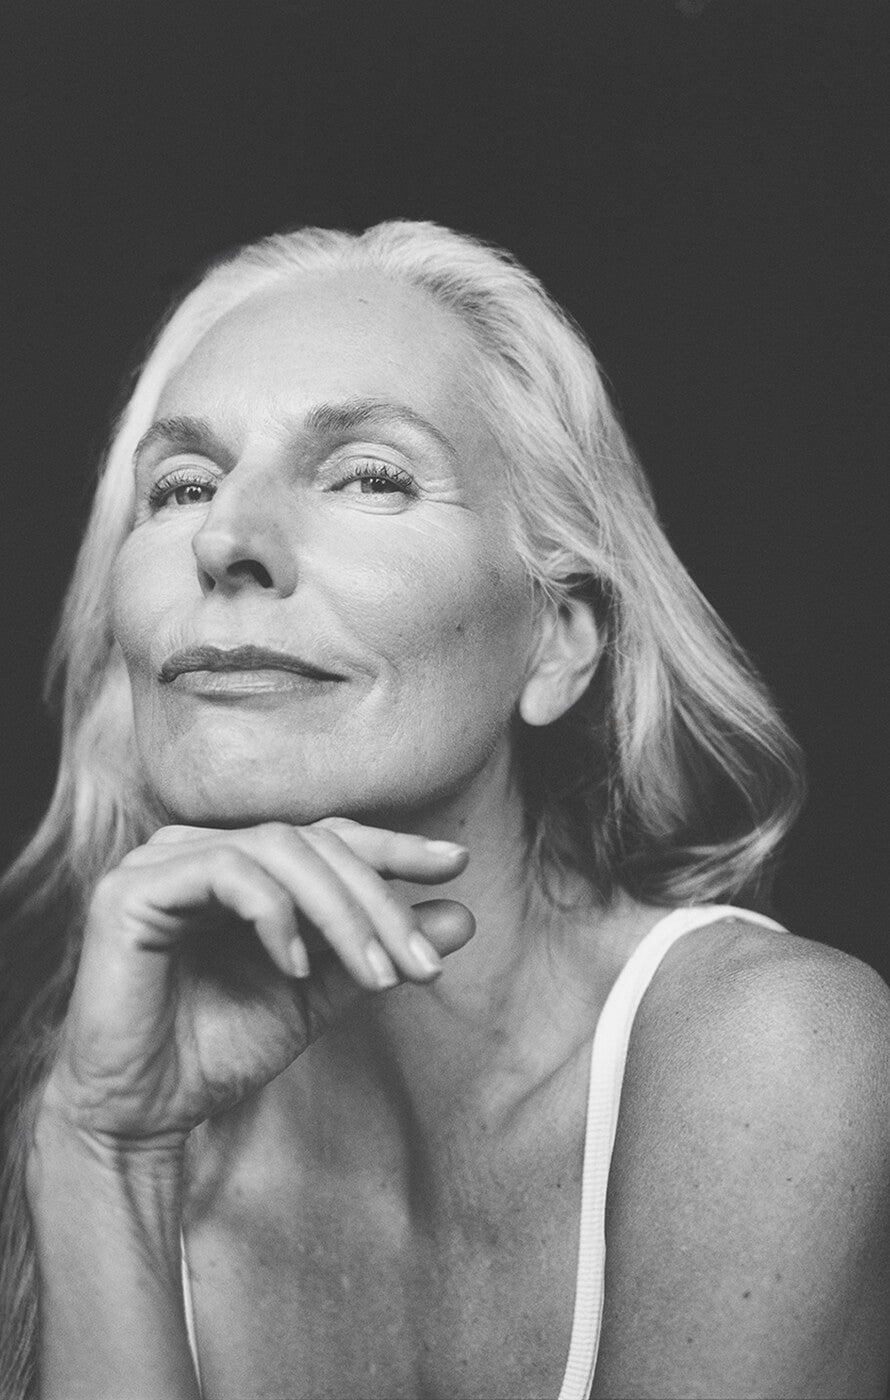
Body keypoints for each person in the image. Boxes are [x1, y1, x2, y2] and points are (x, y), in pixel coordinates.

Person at [1, 220, 888, 1400]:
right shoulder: (94, 1106)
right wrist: (104, 1152)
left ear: (556, 637)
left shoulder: (770, 1055)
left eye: (369, 474)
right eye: (181, 485)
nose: (225, 537)